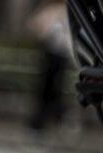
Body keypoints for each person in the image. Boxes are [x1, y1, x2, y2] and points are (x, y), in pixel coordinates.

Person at [27, 0, 72, 135]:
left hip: (61, 55)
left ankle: (57, 119)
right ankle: (40, 123)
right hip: (50, 54)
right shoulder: (49, 10)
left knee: (56, 89)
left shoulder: (67, 10)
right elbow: (34, 25)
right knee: (46, 89)